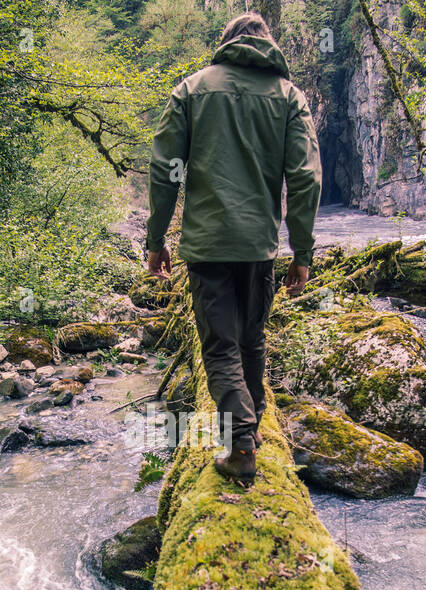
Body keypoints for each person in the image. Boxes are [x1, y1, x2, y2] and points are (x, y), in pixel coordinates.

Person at [145, 11, 322, 482]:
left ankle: (242, 445)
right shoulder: (288, 97)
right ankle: (253, 427)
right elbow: (304, 178)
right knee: (251, 341)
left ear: (226, 44)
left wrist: (156, 240)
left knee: (221, 348)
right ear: (268, 46)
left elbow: (166, 170)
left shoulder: (191, 90)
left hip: (207, 244)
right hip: (259, 245)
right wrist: (302, 253)